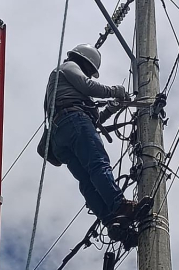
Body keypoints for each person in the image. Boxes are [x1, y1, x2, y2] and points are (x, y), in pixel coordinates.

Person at [44, 44, 139, 226]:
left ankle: (111, 222)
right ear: (85, 63)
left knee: (86, 180)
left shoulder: (64, 91)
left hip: (60, 137)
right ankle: (119, 205)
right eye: (89, 71)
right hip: (72, 122)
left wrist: (111, 109)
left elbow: (91, 122)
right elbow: (87, 87)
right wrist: (114, 91)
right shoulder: (68, 67)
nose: (88, 75)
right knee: (98, 165)